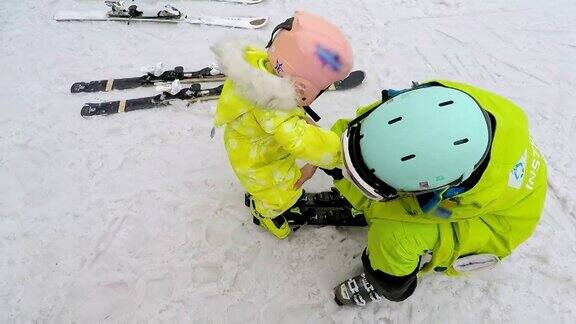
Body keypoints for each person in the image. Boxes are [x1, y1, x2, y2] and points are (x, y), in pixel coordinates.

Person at [308, 81, 547, 306]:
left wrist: (360, 194)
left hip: (493, 224)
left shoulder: (459, 199)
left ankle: (384, 283)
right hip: (488, 180)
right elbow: (375, 121)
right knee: (380, 195)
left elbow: (408, 211)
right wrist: (323, 147)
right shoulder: (432, 97)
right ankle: (366, 192)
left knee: (396, 236)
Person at [211, 11, 353, 239]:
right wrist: (341, 152)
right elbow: (301, 141)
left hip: (247, 145)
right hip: (259, 164)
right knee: (278, 193)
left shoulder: (257, 67)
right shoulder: (273, 108)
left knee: (265, 187)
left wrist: (298, 116)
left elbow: (286, 121)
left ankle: (259, 197)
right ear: (302, 86)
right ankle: (266, 214)